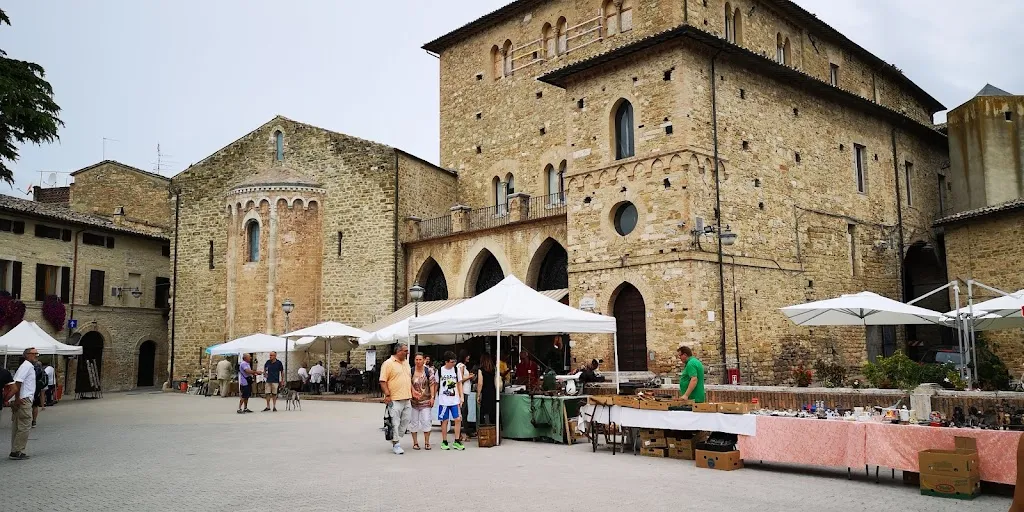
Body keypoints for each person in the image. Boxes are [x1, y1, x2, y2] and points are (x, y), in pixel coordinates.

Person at [379, 343, 412, 455]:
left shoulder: (406, 363)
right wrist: (387, 395)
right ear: (398, 351)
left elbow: (408, 379)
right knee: (395, 422)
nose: (407, 353)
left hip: (407, 397)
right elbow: (383, 381)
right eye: (405, 351)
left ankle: (396, 436)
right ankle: (396, 443)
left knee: (406, 420)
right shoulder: (388, 363)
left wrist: (413, 391)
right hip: (394, 399)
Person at [9, 347, 39, 459]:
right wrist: (17, 398)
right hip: (24, 399)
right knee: (24, 425)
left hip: (22, 398)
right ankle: (18, 450)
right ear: (27, 355)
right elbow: (18, 382)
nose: (36, 356)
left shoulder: (26, 366)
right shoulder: (27, 366)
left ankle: (15, 450)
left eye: (37, 354)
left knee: (18, 425)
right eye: (34, 353)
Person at [437, 351, 465, 451]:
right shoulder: (440, 371)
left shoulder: (456, 370)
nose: (453, 363)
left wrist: (461, 396)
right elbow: (436, 384)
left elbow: (459, 383)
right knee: (444, 420)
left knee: (457, 419)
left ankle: (457, 440)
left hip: (455, 399)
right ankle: (444, 441)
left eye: (454, 361)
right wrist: (433, 396)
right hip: (444, 400)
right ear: (446, 362)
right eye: (451, 362)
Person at [409, 353, 437, 450]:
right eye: (416, 359)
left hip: (425, 400)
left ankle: (427, 442)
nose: (418, 361)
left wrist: (432, 397)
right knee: (414, 422)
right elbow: (408, 383)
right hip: (413, 402)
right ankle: (415, 442)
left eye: (420, 359)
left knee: (426, 421)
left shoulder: (428, 371)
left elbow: (432, 384)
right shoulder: (411, 371)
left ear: (424, 360)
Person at [456, 349, 474, 441]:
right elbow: (460, 379)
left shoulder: (460, 366)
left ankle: (464, 432)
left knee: (464, 411)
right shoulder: (461, 366)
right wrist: (470, 377)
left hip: (464, 391)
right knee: (464, 411)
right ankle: (464, 432)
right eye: (467, 356)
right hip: (463, 391)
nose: (468, 357)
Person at [476, 353, 497, 428]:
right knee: (493, 410)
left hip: (485, 392)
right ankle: (494, 429)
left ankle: (484, 428)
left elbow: (480, 383)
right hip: (493, 391)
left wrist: (478, 395)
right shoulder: (493, 369)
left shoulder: (481, 370)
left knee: (484, 411)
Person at [31, 361, 44, 427]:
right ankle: (34, 421)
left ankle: (28, 420)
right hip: (37, 388)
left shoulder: (31, 369)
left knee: (28, 405)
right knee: (35, 406)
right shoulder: (42, 371)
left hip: (30, 388)